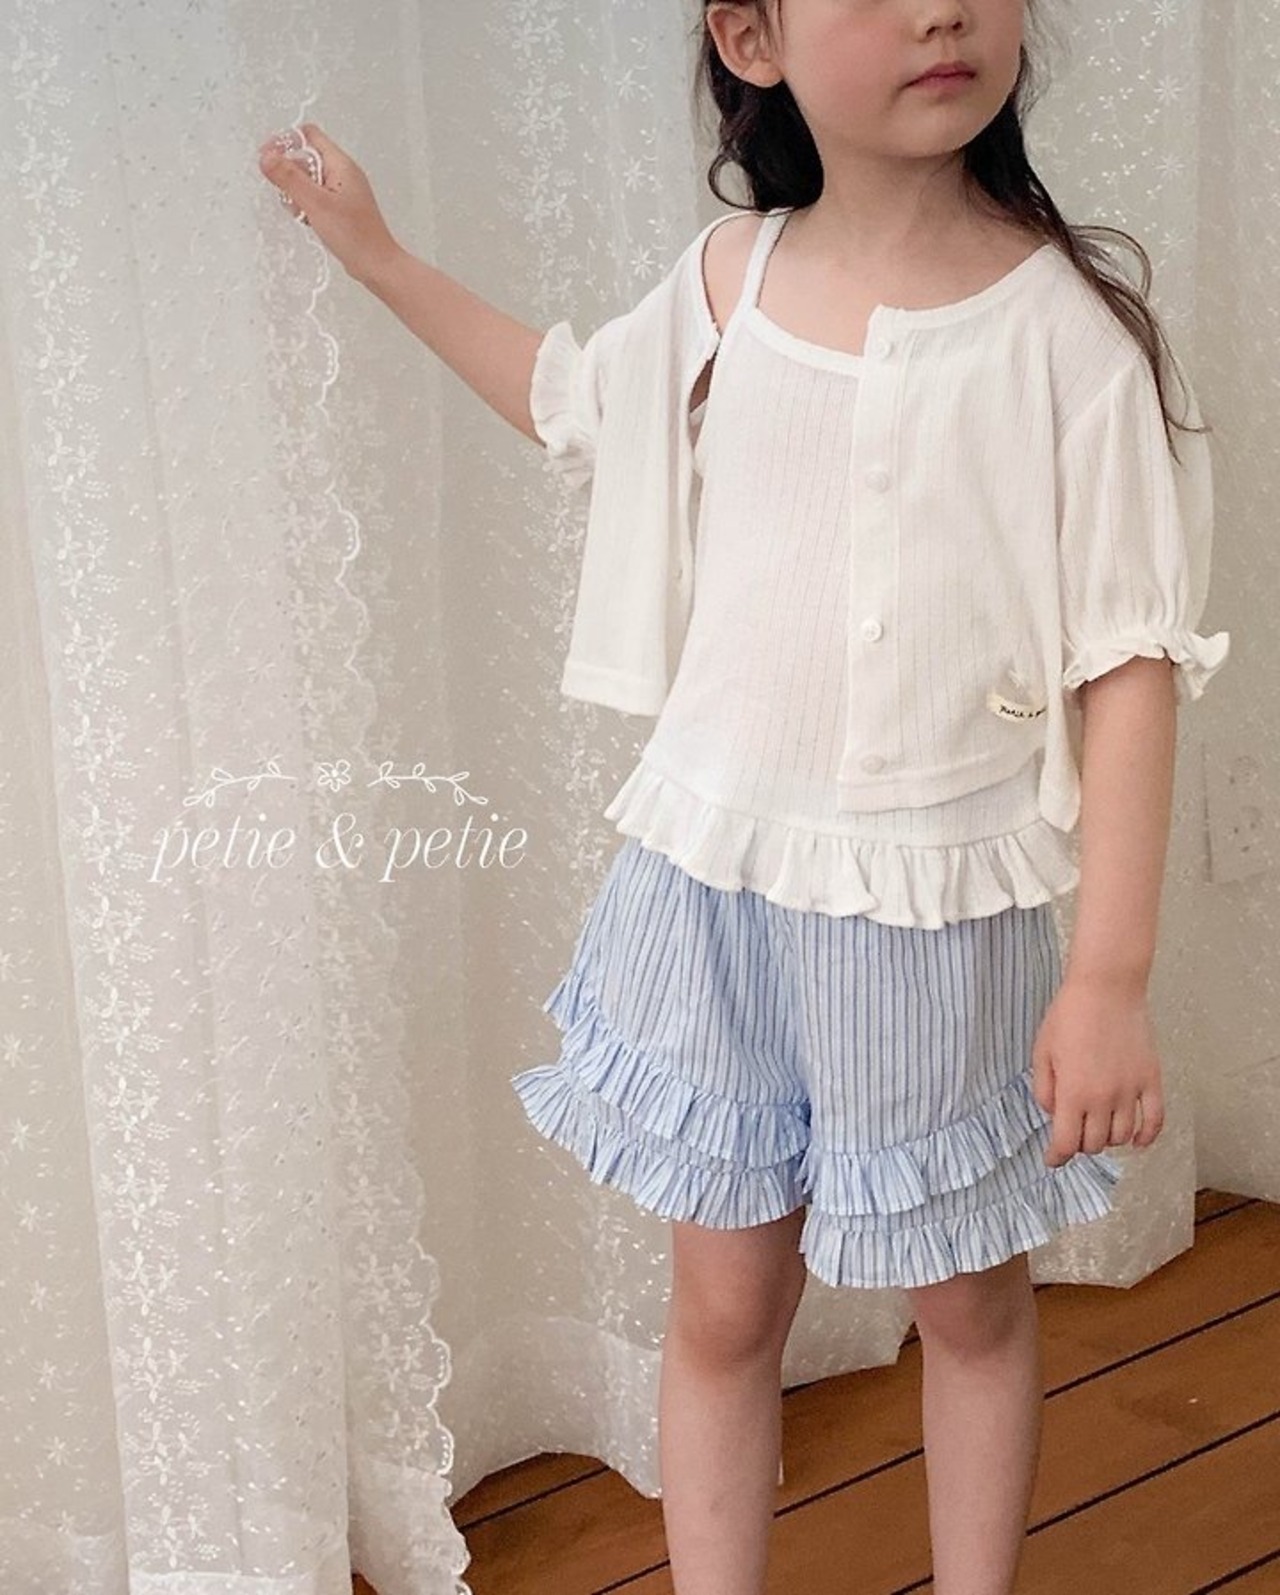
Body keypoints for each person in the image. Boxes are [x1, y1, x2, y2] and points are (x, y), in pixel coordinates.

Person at [257, 2, 1231, 1589]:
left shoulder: (1067, 334)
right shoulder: (730, 282)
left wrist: (1108, 979)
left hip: (932, 913)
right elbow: (571, 400)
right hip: (713, 893)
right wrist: (376, 256)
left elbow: (1129, 662)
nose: (938, 10)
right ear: (752, 39)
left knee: (970, 1304)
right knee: (722, 1310)